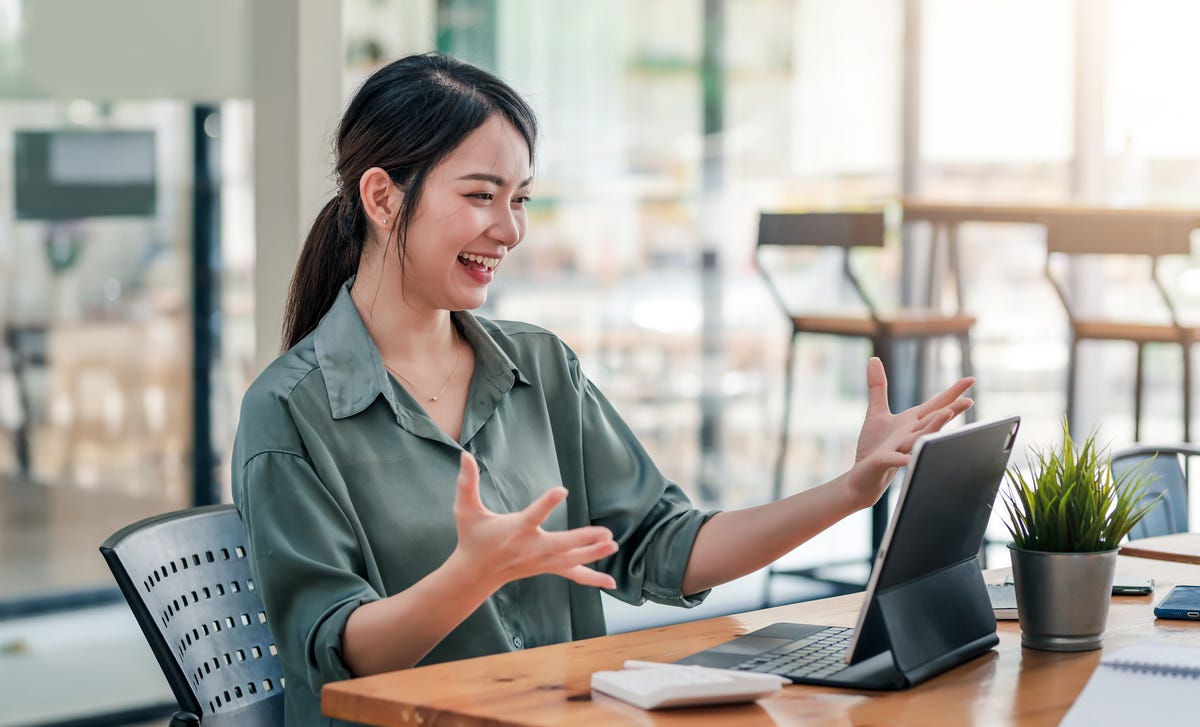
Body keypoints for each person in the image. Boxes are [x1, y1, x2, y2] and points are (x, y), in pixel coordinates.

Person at [231, 52, 974, 726]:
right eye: (483, 195)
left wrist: (850, 489)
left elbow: (662, 544)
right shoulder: (288, 413)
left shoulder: (541, 369)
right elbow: (336, 653)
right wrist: (470, 575)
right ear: (383, 198)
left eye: (519, 198)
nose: (509, 229)